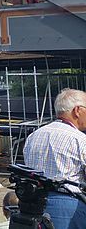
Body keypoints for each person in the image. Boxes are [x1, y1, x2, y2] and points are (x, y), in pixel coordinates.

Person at [23, 88, 86, 229]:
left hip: (34, 206)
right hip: (69, 209)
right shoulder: (80, 140)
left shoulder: (34, 136)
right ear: (77, 111)